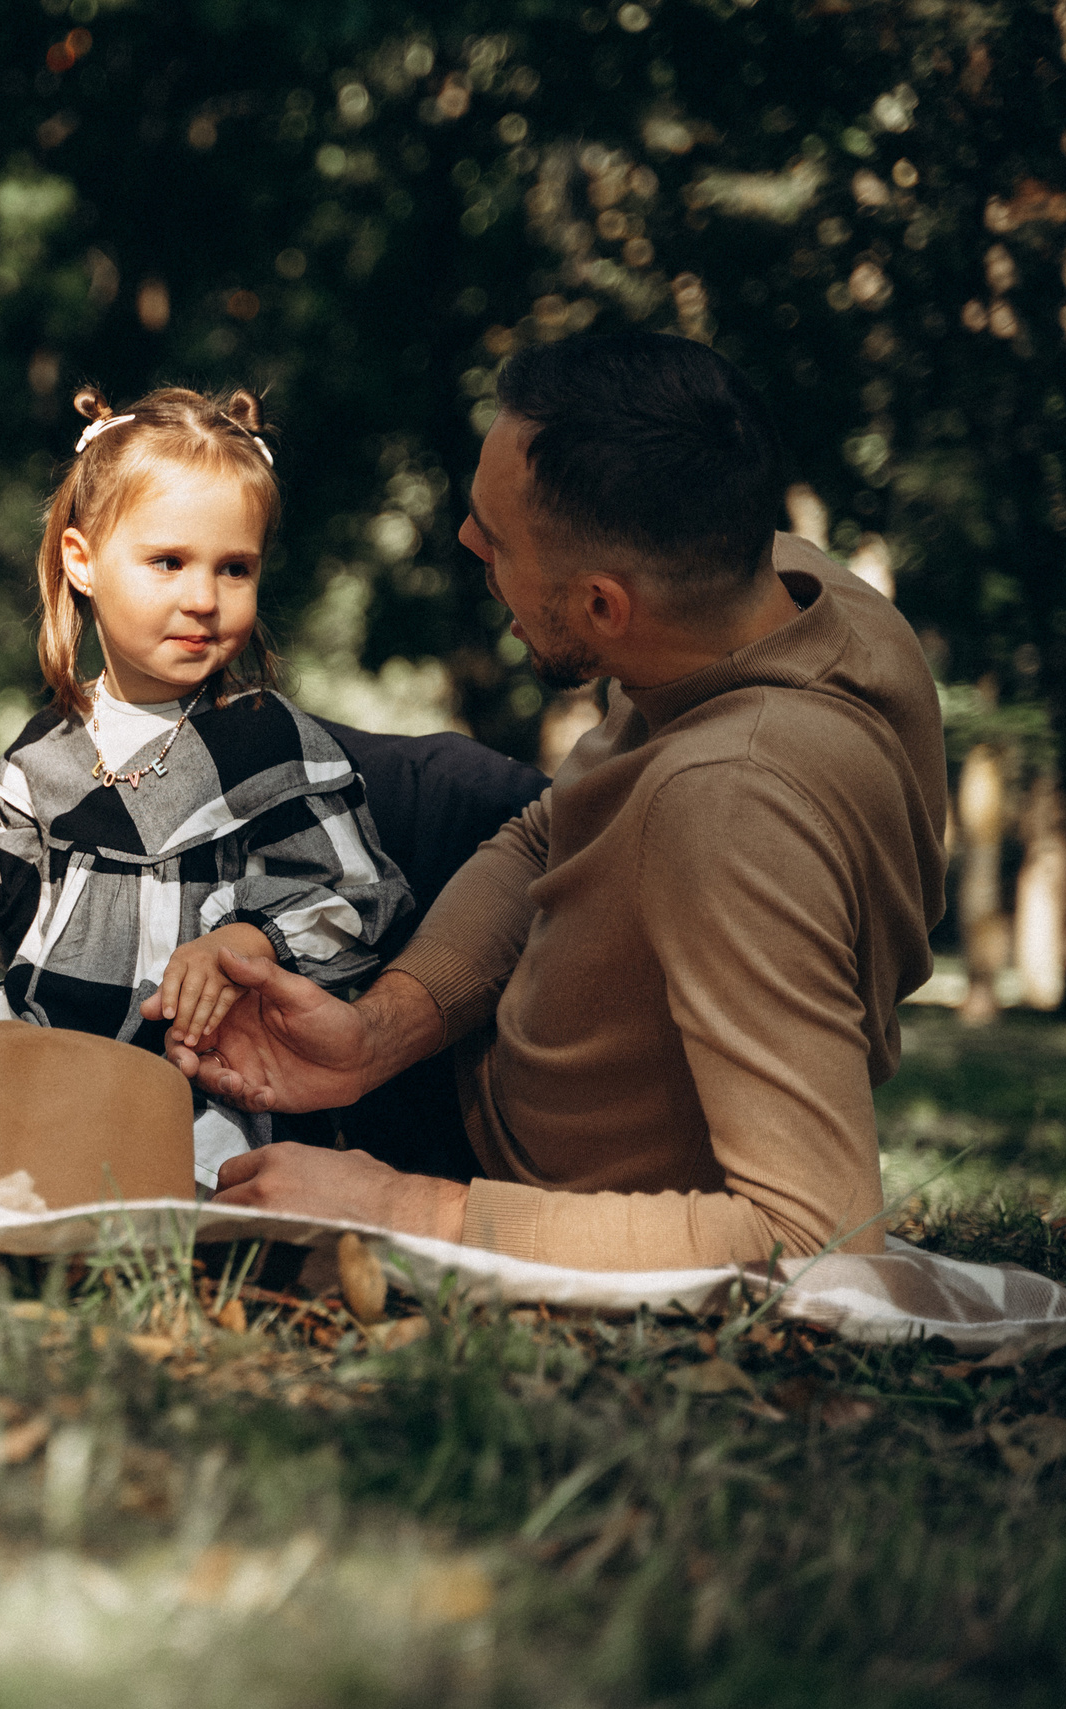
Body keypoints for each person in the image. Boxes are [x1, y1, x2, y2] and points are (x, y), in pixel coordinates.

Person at [167, 332, 947, 1270]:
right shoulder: (781, 589)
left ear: (605, 608)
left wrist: (408, 1205)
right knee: (256, 753)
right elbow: (548, 832)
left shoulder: (733, 813)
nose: (466, 541)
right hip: (541, 979)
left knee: (244, 831)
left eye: (495, 537)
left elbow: (821, 1238)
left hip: (503, 1158)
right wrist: (378, 1033)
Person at [0, 385, 415, 1189]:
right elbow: (12, 923)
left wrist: (251, 941)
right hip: (48, 1047)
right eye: (168, 562)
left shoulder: (267, 743)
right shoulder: (45, 752)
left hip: (195, 1072)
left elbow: (362, 896)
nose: (203, 598)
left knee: (180, 1194)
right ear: (82, 563)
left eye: (235, 568)